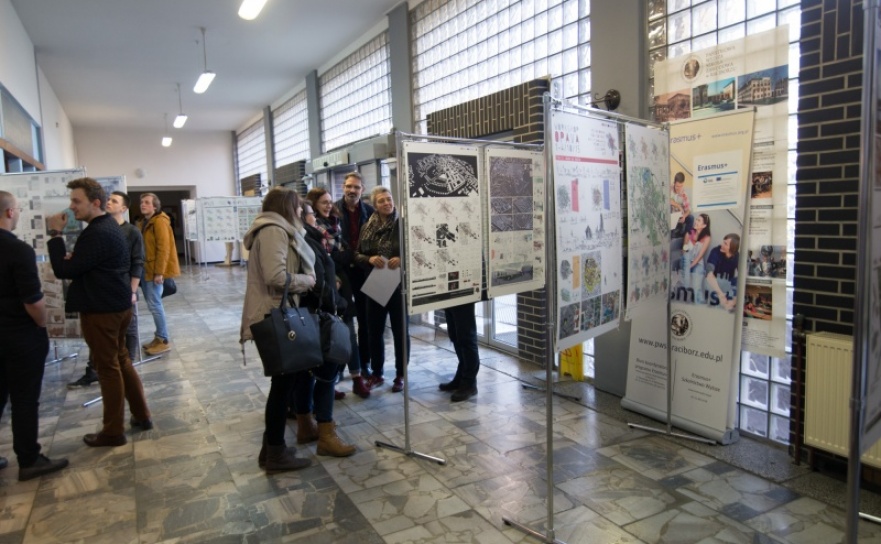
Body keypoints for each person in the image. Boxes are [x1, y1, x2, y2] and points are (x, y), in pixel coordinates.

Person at [47, 178, 152, 447]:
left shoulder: (98, 231)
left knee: (107, 368)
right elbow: (89, 263)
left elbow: (63, 271)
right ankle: (141, 415)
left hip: (103, 309)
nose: (71, 207)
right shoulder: (107, 227)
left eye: (76, 201)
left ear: (95, 203)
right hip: (116, 304)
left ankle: (113, 431)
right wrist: (79, 261)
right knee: (121, 360)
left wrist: (55, 234)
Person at [0, 192, 69, 480]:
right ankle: (29, 459)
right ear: (9, 212)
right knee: (25, 400)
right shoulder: (17, 250)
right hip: (19, 337)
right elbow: (33, 302)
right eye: (16, 210)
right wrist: (42, 324)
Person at [289, 201, 356, 457]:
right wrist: (338, 301)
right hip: (317, 315)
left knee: (307, 372)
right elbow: (315, 282)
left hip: (308, 314)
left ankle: (306, 425)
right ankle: (326, 435)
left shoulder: (308, 239)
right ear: (301, 217)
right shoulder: (303, 241)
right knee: (327, 374)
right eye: (310, 215)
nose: (315, 219)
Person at [68, 191, 145, 389]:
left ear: (124, 208)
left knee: (127, 331)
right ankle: (93, 371)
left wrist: (132, 291)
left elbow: (137, 262)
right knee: (101, 339)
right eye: (108, 200)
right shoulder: (101, 230)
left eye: (114, 201)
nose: (109, 203)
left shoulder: (131, 232)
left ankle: (128, 365)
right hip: (102, 294)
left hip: (122, 290)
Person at [307, 187, 370, 399]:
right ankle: (328, 383)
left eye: (328, 201)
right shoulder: (311, 229)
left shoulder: (335, 223)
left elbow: (343, 254)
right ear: (313, 205)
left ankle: (357, 378)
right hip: (325, 290)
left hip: (342, 286)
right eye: (323, 202)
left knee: (349, 333)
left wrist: (341, 257)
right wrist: (340, 258)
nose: (328, 205)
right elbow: (325, 259)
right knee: (327, 336)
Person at [355, 186, 409, 393]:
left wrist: (402, 259)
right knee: (374, 331)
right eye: (381, 201)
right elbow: (357, 255)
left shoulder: (402, 224)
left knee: (399, 331)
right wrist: (369, 258)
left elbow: (417, 251)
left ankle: (401, 374)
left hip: (398, 284)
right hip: (375, 282)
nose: (387, 203)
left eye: (389, 199)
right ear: (374, 205)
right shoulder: (367, 226)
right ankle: (377, 373)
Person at [335, 172, 375, 385]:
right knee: (343, 320)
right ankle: (340, 364)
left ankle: (364, 362)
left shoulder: (370, 212)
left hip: (364, 272)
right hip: (341, 273)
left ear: (363, 189)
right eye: (349, 186)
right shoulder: (333, 210)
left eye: (356, 187)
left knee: (365, 320)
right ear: (343, 187)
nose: (352, 191)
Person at [138, 192, 180, 356]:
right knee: (152, 304)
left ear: (155, 206)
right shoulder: (145, 222)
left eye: (147, 202)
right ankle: (158, 337)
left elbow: (164, 249)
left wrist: (159, 273)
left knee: (155, 305)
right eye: (142, 202)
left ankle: (163, 340)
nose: (143, 205)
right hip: (146, 268)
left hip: (153, 270)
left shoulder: (160, 222)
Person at [438, 303, 480, 402]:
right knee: (455, 336)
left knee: (466, 338)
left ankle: (469, 383)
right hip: (451, 298)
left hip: (464, 297)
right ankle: (461, 377)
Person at [680, 213, 711, 304]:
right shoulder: (689, 233)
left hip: (697, 263)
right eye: (696, 220)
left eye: (699, 220)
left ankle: (700, 307)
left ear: (704, 225)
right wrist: (685, 248)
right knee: (686, 284)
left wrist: (691, 266)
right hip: (686, 260)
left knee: (696, 287)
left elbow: (700, 255)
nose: (696, 222)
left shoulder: (707, 238)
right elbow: (684, 251)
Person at [705, 233, 740, 311]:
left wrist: (734, 301)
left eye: (725, 244)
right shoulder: (715, 251)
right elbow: (709, 274)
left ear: (732, 249)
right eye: (723, 241)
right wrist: (721, 295)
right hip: (714, 283)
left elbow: (742, 278)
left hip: (727, 284)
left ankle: (729, 303)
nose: (721, 244)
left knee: (739, 280)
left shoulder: (737, 256)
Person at [670, 172, 693, 236]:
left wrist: (684, 216)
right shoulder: (669, 188)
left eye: (681, 186)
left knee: (691, 218)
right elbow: (666, 199)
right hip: (669, 214)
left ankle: (685, 237)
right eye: (677, 186)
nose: (679, 188)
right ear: (674, 183)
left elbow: (688, 209)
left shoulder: (684, 194)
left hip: (678, 216)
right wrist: (678, 206)